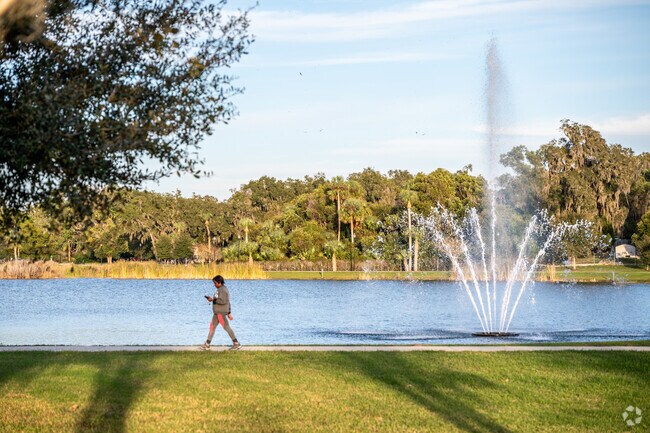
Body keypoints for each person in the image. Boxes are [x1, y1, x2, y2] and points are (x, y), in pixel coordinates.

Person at [200, 275, 241, 350]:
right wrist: (229, 312)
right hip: (217, 313)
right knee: (212, 327)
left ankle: (236, 343)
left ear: (219, 282)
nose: (214, 285)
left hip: (220, 313)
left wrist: (213, 300)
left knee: (226, 327)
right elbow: (228, 302)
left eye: (215, 283)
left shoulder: (222, 290)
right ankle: (207, 344)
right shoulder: (221, 289)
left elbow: (223, 301)